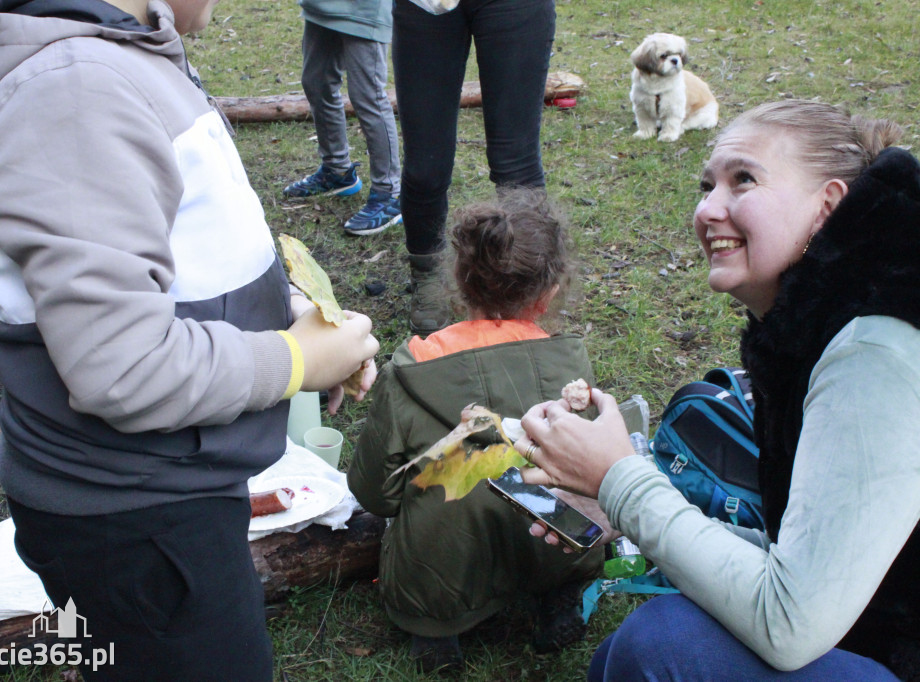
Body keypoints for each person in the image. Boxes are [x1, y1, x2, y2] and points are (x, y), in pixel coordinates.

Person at [0, 0, 379, 678]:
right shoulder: (72, 92)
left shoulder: (107, 58)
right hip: (138, 518)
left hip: (156, 495)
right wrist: (296, 358)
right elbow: (119, 365)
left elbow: (159, 258)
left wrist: (287, 320)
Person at [515, 100, 920, 680]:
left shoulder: (873, 352)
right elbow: (809, 557)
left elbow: (790, 623)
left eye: (744, 180)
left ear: (827, 206)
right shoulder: (820, 325)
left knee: (661, 645)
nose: (708, 209)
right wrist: (617, 506)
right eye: (707, 186)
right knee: (617, 659)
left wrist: (621, 479)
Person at [348, 189, 609, 672]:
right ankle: (556, 599)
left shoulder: (411, 372)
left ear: (460, 281)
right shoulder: (572, 369)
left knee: (434, 545)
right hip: (550, 542)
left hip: (442, 568)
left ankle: (437, 634)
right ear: (550, 293)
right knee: (568, 529)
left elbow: (374, 493)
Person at [391, 0, 556, 335]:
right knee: (425, 167)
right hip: (424, 7)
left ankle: (527, 285)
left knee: (516, 164)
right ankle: (427, 275)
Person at [281, 0, 402, 236]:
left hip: (363, 11)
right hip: (321, 6)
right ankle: (337, 171)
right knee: (317, 83)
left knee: (368, 97)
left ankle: (388, 192)